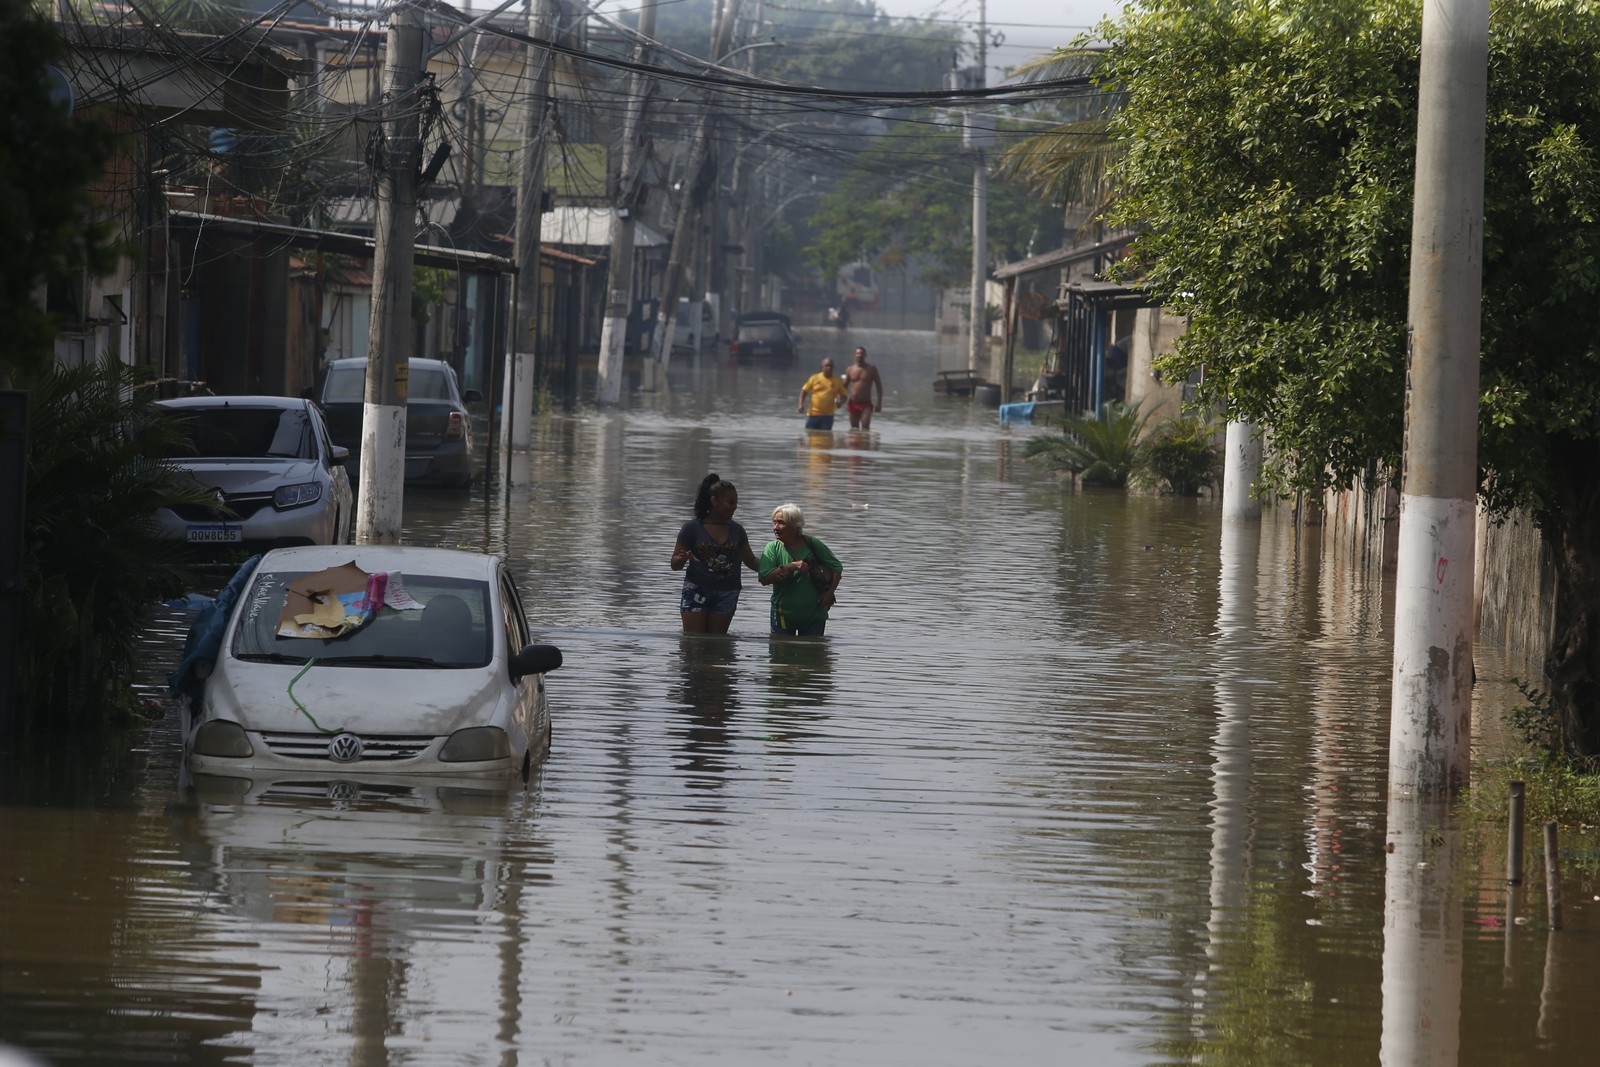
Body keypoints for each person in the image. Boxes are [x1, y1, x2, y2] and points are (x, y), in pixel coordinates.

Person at [670, 474, 760, 634]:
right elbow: (674, 564)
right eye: (730, 503)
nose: (734, 507)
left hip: (727, 592)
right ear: (714, 502)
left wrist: (778, 568)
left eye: (736, 503)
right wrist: (682, 558)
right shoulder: (692, 528)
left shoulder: (737, 531)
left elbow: (751, 561)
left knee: (717, 645)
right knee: (693, 643)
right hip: (697, 589)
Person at [758, 503, 843, 636]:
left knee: (812, 654)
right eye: (774, 523)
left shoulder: (813, 544)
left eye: (781, 523)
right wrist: (791, 566)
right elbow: (764, 578)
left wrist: (829, 593)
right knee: (781, 655)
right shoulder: (772, 548)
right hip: (783, 615)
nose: (776, 527)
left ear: (795, 526)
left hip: (814, 615)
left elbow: (837, 569)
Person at [797, 357, 848, 431]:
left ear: (834, 367)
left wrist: (840, 402)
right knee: (810, 435)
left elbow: (844, 395)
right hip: (813, 414)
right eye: (826, 366)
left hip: (828, 416)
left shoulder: (837, 381)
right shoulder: (814, 378)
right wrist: (800, 404)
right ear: (822, 367)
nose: (829, 368)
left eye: (830, 366)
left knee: (826, 438)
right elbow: (804, 391)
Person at [842, 345, 883, 429]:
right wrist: (840, 399)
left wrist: (879, 403)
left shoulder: (871, 369)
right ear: (854, 355)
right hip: (853, 403)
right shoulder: (850, 369)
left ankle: (864, 442)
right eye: (858, 353)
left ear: (865, 355)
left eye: (861, 353)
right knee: (854, 429)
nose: (859, 355)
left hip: (866, 404)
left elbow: (879, 386)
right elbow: (844, 386)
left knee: (865, 428)